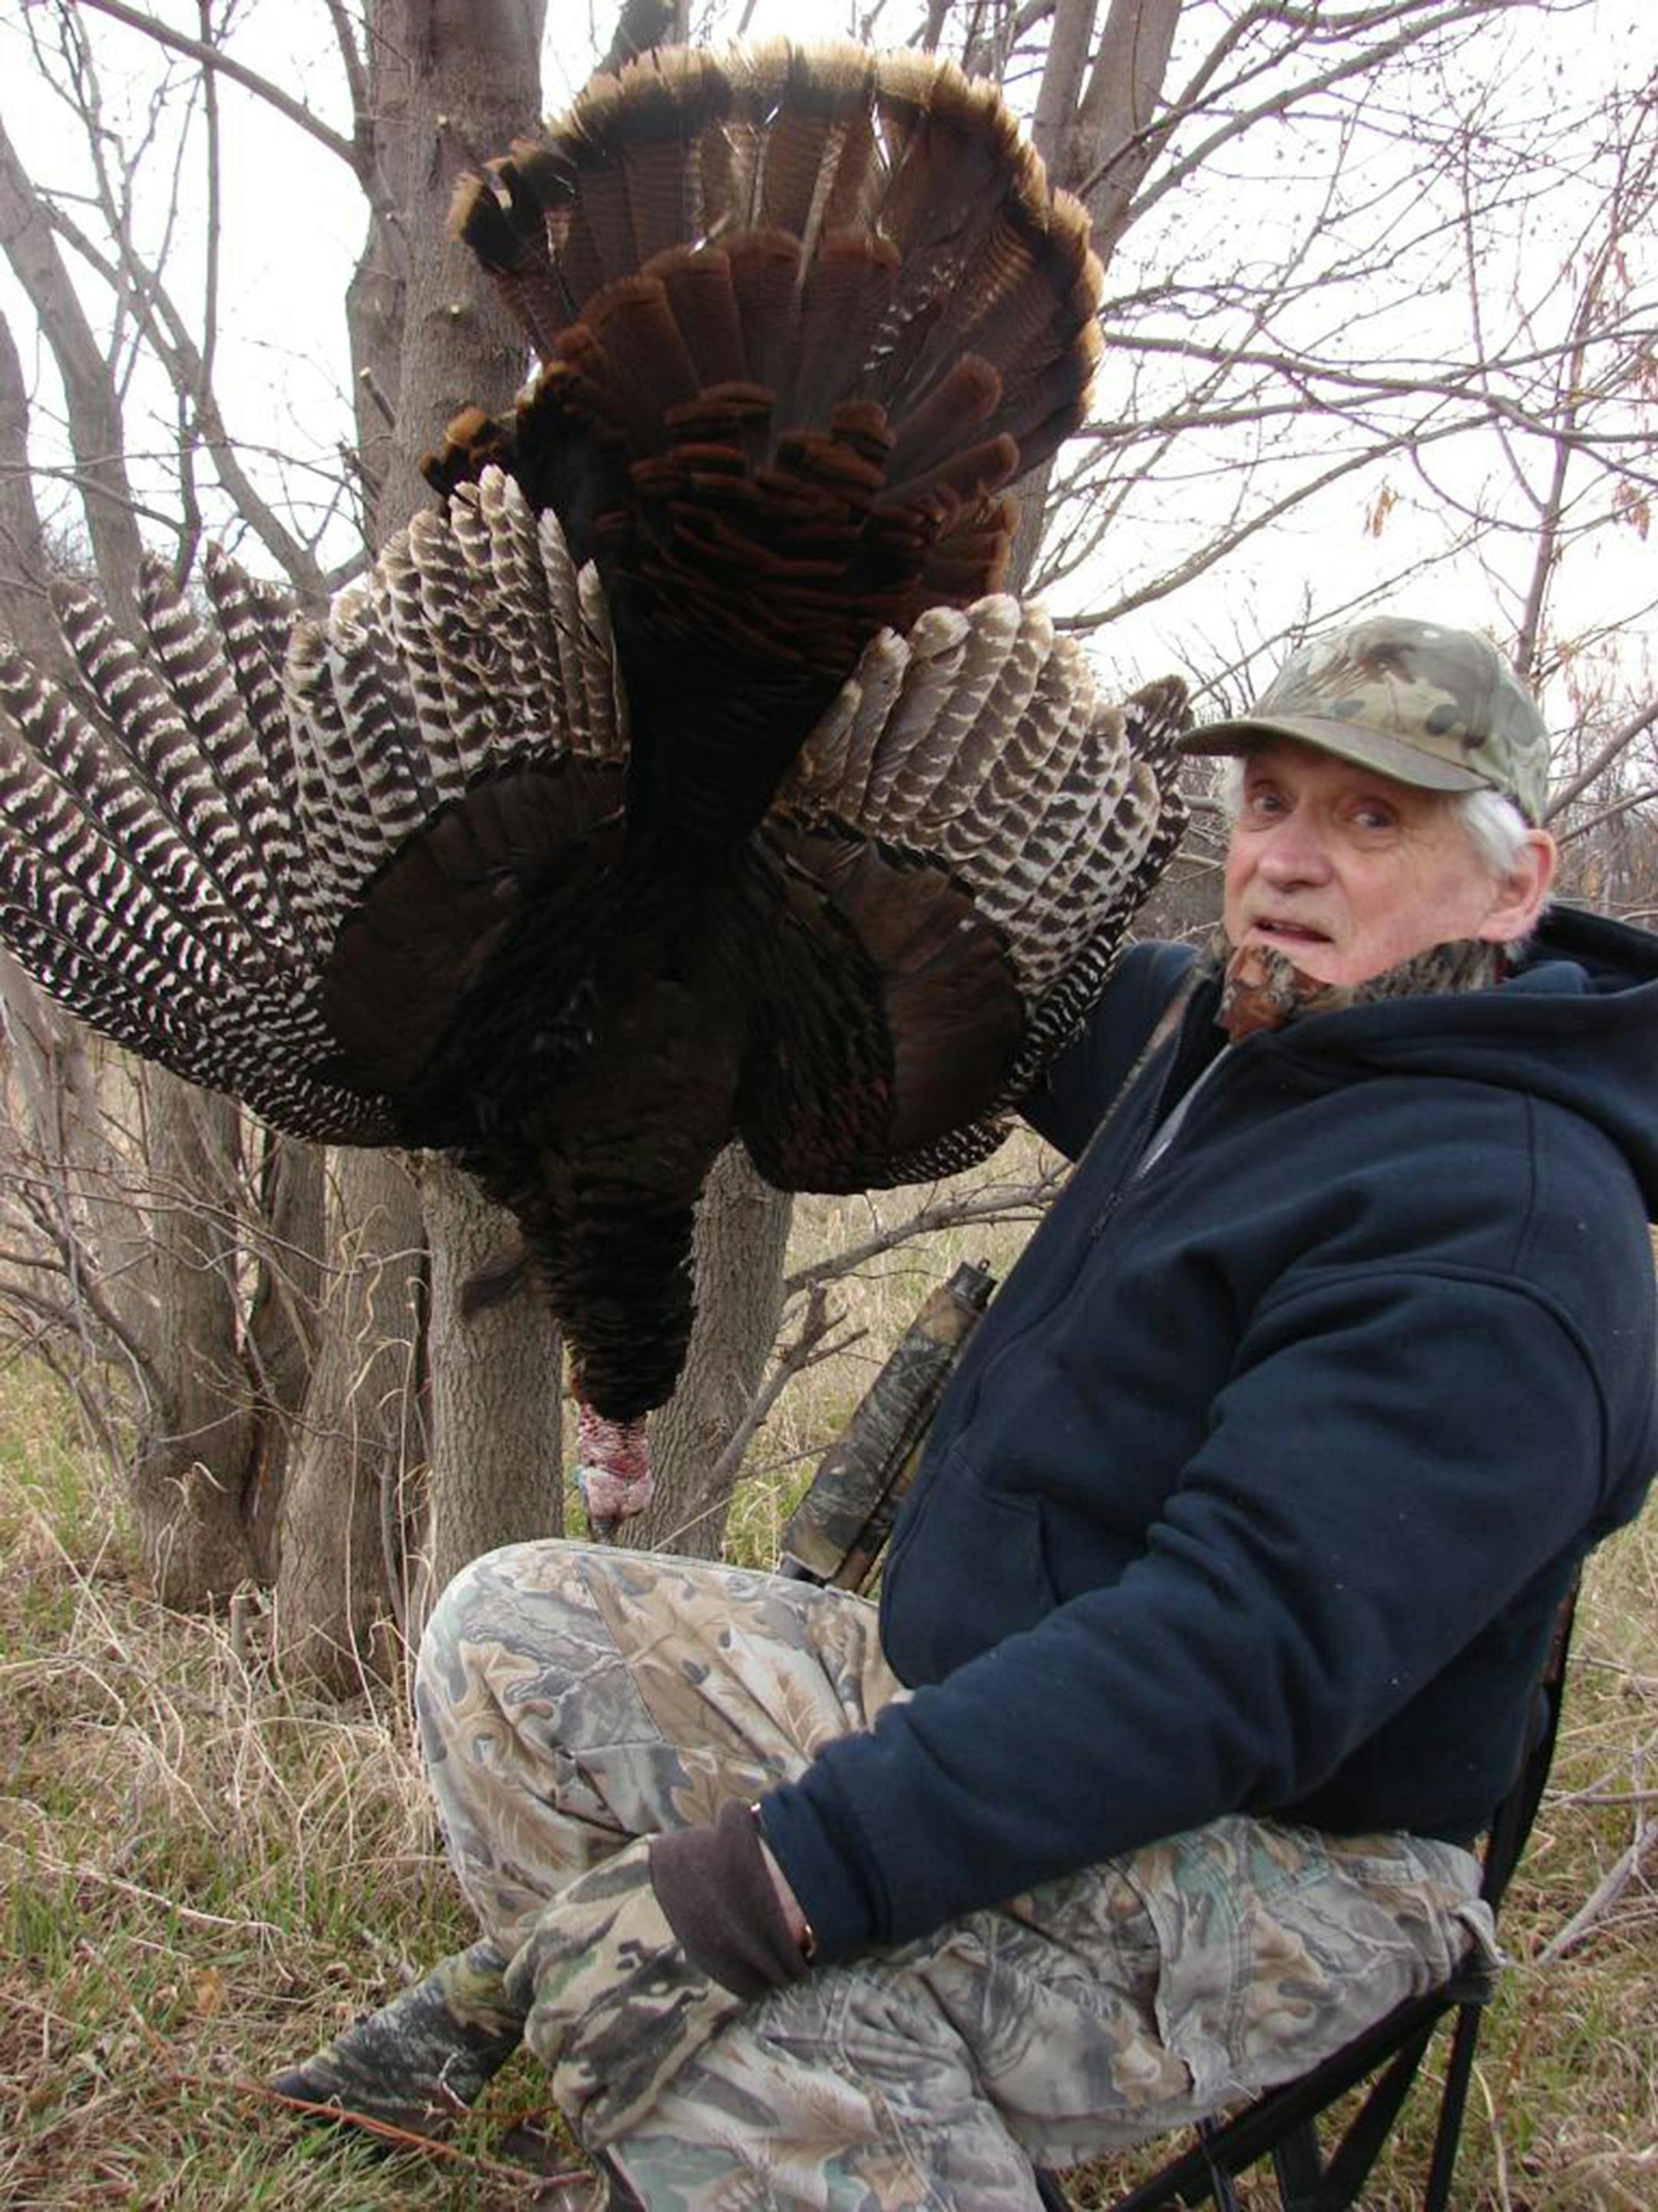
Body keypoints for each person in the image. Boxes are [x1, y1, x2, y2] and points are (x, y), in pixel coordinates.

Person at [275, 616, 1658, 2208]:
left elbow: (1221, 1667)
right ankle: (711, 2122)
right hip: (982, 1694)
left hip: (1287, 1853)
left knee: (758, 2012)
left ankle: (762, 2099)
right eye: (1270, 800)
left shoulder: (1498, 1228)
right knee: (516, 1636)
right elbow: (945, 960)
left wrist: (781, 1880)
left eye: (1372, 818)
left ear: (1515, 880)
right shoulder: (1218, 1037)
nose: (1287, 857)